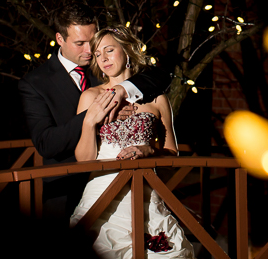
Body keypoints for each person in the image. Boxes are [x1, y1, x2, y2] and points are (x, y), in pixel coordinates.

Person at [18, 2, 172, 222]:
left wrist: (121, 89)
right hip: (65, 190)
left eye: (92, 42)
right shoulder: (35, 83)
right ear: (60, 39)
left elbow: (159, 77)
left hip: (129, 187)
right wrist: (94, 114)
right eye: (80, 43)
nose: (90, 51)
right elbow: (46, 143)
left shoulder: (104, 65)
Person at [70, 25, 194, 258]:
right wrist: (88, 123)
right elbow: (83, 159)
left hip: (147, 192)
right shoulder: (91, 96)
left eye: (109, 50)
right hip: (102, 192)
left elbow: (171, 153)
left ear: (127, 51)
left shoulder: (157, 98)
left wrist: (148, 150)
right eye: (98, 54)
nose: (103, 58)